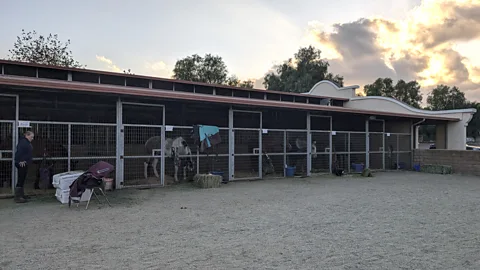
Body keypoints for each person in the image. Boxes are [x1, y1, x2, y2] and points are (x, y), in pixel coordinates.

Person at [14, 131, 34, 203]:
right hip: (22, 163)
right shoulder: (23, 143)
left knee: (22, 179)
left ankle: (21, 195)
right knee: (21, 179)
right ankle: (18, 197)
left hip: (24, 162)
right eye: (31, 137)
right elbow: (19, 152)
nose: (32, 138)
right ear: (27, 136)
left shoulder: (25, 142)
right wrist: (21, 160)